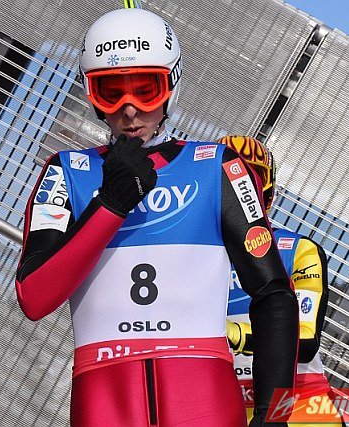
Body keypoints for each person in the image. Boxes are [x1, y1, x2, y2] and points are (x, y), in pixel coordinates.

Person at [16, 9, 298, 427]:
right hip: (105, 400)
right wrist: (111, 203)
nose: (129, 110)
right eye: (111, 92)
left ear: (172, 84)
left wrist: (276, 417)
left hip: (204, 398)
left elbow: (274, 294)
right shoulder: (68, 171)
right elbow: (35, 297)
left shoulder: (217, 166)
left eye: (146, 90)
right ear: (90, 93)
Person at [220, 135, 343, 426]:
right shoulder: (191, 252)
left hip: (299, 405)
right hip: (222, 405)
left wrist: (232, 334)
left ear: (266, 191)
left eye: (249, 178)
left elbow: (306, 340)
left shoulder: (298, 250)